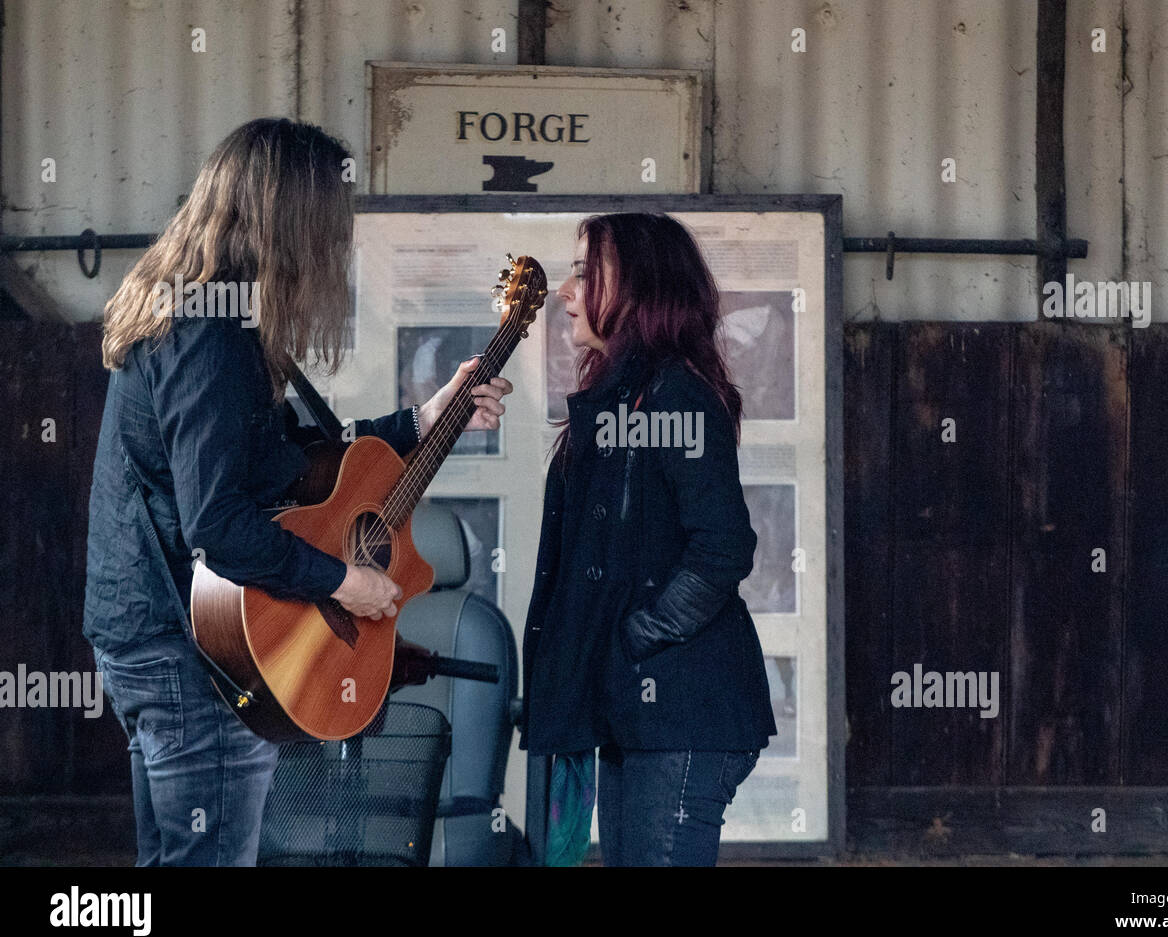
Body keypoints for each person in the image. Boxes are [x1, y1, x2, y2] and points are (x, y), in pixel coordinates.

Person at [82, 118, 513, 866]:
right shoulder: (208, 336)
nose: (338, 245)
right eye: (331, 224)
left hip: (164, 640)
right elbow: (218, 521)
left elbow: (297, 470)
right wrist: (347, 582)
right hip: (190, 652)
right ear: (294, 223)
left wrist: (423, 419)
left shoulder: (211, 319)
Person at [519, 212, 778, 866]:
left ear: (635, 289)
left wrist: (635, 639)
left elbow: (722, 548)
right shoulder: (620, 397)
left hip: (684, 709)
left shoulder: (675, 396)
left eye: (584, 273)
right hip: (633, 709)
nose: (566, 292)